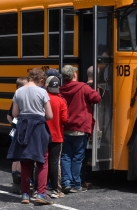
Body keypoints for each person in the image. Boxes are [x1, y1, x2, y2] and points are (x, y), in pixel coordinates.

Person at [6, 68, 54, 205]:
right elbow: (50, 115)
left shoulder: (18, 91)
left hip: (23, 128)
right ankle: (41, 193)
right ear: (41, 80)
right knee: (42, 161)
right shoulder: (42, 92)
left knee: (25, 161)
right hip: (38, 129)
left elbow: (15, 113)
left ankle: (25, 194)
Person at [59, 65, 101, 193]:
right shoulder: (83, 87)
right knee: (78, 157)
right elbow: (97, 98)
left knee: (66, 156)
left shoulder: (61, 90)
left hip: (66, 127)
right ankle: (76, 184)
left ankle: (66, 183)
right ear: (74, 75)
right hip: (80, 128)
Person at [44, 76, 68, 199]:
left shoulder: (43, 98)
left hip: (43, 135)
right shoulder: (61, 101)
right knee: (54, 162)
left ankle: (39, 189)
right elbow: (64, 119)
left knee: (42, 162)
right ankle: (55, 189)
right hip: (57, 135)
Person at [7, 77, 28, 194]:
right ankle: (17, 181)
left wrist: (13, 124)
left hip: (14, 129)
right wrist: (17, 125)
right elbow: (10, 115)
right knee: (19, 156)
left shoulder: (16, 97)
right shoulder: (19, 98)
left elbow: (9, 116)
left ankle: (15, 181)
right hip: (17, 130)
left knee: (16, 155)